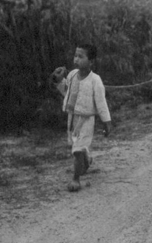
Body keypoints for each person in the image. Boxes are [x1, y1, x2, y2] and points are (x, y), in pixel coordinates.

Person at [51, 44, 112, 192]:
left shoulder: (95, 80)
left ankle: (76, 179)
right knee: (76, 146)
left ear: (91, 61)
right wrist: (58, 80)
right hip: (72, 119)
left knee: (77, 150)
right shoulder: (72, 75)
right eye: (75, 56)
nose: (76, 59)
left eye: (81, 56)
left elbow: (101, 103)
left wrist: (106, 122)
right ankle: (86, 159)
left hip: (86, 120)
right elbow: (67, 92)